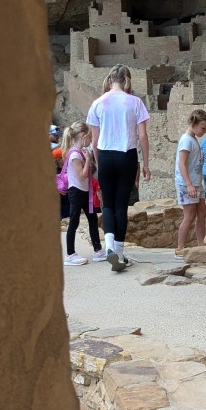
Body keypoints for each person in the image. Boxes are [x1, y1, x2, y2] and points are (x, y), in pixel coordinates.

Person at [86, 64, 151, 272]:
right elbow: (142, 136)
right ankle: (120, 254)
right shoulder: (135, 102)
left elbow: (94, 140)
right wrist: (146, 163)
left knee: (108, 204)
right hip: (127, 155)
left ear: (110, 79)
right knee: (121, 205)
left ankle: (109, 248)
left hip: (105, 156)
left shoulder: (98, 103)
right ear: (127, 80)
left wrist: (98, 161)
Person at [60, 121, 105, 266]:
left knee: (92, 219)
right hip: (76, 191)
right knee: (74, 221)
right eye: (89, 137)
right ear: (82, 136)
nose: (90, 140)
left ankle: (98, 250)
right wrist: (88, 160)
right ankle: (70, 254)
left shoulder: (79, 153)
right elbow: (82, 176)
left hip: (83, 191)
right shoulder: (75, 154)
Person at [175, 109, 206, 260]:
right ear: (194, 124)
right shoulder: (186, 140)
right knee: (189, 215)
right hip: (187, 184)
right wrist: (189, 184)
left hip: (196, 182)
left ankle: (201, 244)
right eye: (203, 128)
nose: (204, 131)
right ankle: (179, 249)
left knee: (202, 212)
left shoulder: (193, 139)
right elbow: (181, 164)